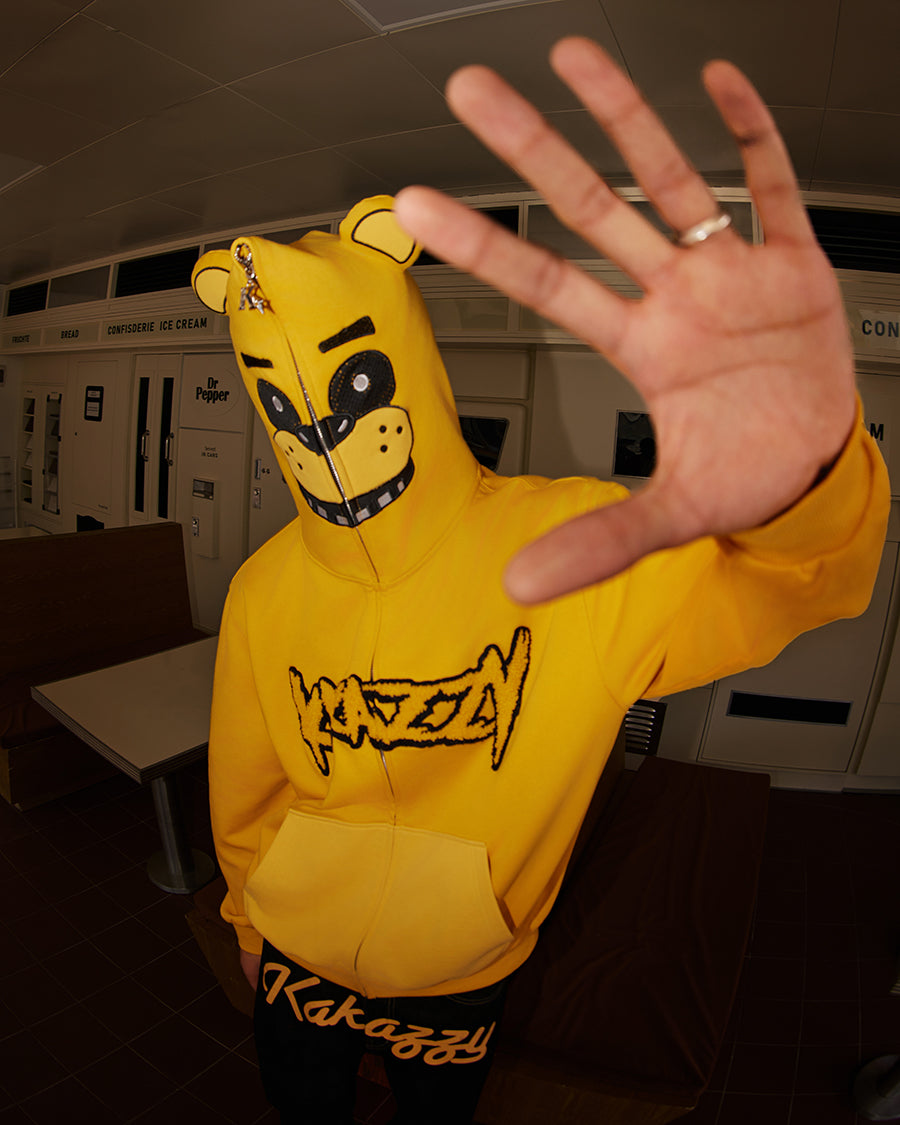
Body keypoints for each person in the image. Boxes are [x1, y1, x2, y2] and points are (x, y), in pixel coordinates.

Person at [197, 38, 889, 1125]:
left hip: (461, 970)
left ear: (408, 369)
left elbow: (788, 583)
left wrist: (801, 460)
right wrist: (247, 920)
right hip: (294, 954)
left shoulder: (571, 546)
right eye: (285, 408)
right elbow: (244, 790)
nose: (323, 433)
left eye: (353, 386)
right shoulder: (263, 588)